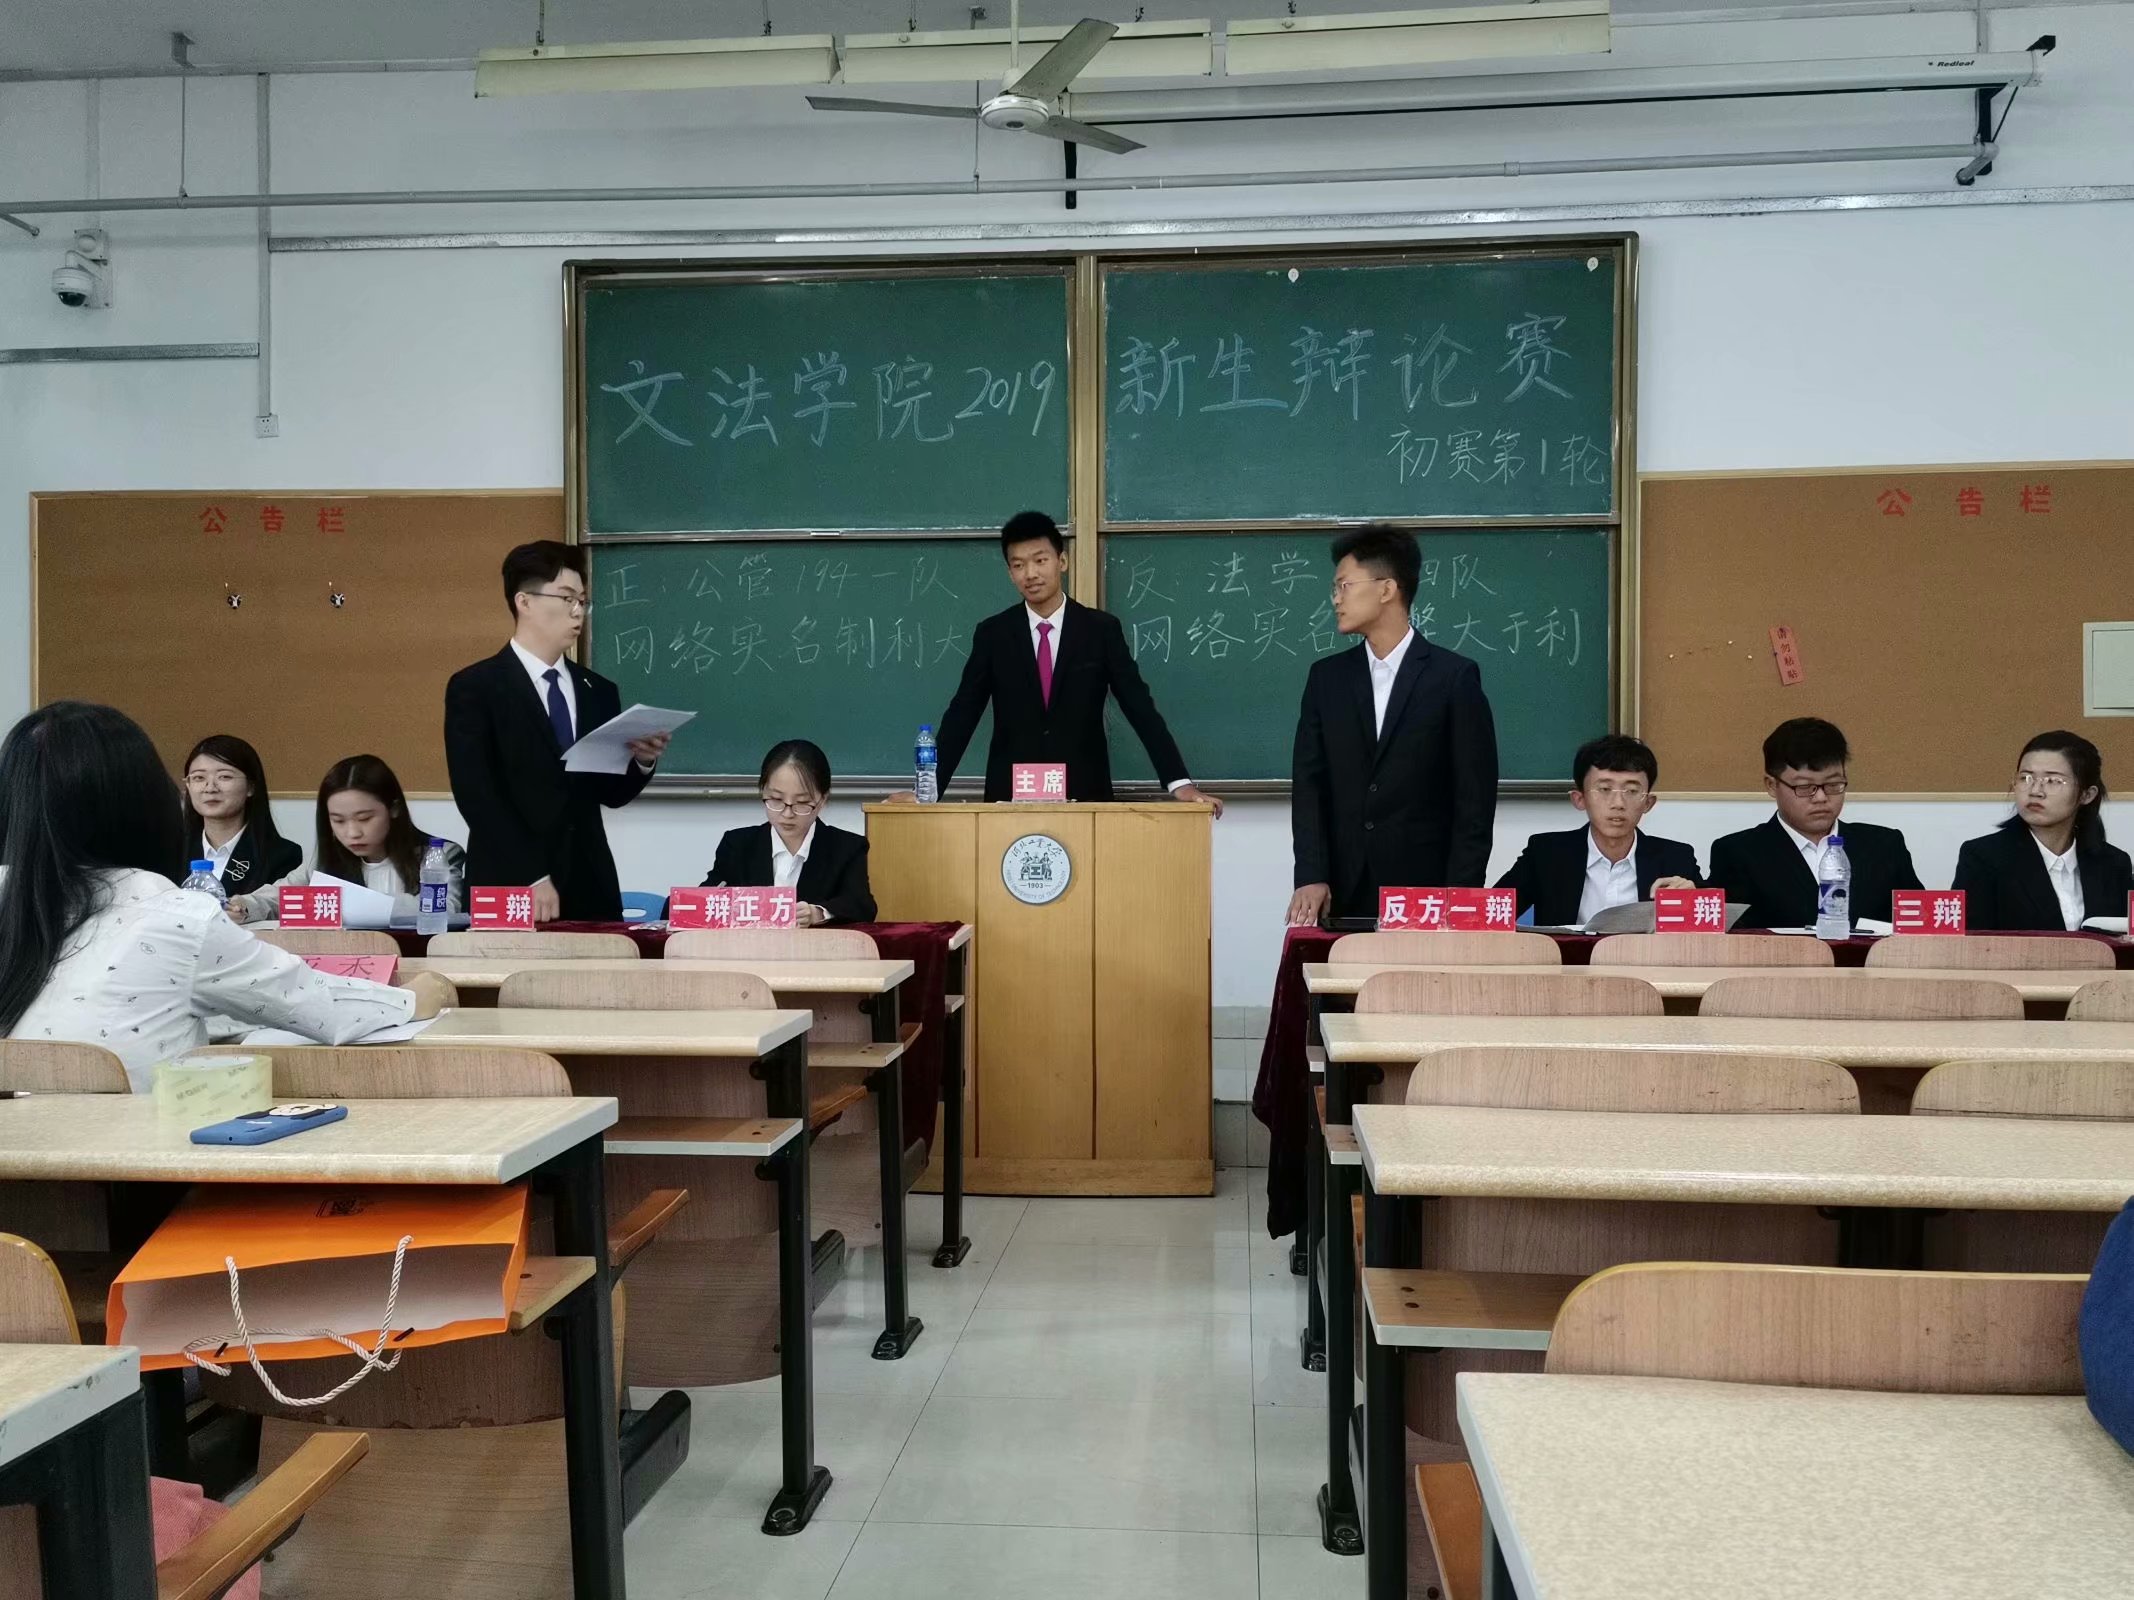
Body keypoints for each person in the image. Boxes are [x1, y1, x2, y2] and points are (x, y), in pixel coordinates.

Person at [0, 703, 454, 1091]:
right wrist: (411, 999)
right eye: (190, 779)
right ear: (142, 803)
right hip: (134, 1157)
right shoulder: (175, 919)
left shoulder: (14, 895)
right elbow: (309, 1002)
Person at [916, 511, 1222, 810]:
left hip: (1085, 796)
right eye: (1019, 565)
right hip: (1009, 798)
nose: (1030, 573)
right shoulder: (993, 634)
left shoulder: (1100, 630)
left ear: (1062, 561)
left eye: (1040, 560)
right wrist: (927, 793)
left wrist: (1179, 783)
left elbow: (1139, 706)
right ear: (1010, 573)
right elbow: (963, 713)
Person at [444, 541, 670, 922]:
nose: (578, 611)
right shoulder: (476, 687)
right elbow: (477, 795)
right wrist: (530, 875)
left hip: (589, 883)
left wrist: (642, 761)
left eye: (582, 601)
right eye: (566, 598)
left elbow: (609, 793)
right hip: (510, 883)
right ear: (524, 602)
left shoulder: (597, 690)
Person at [1288, 524, 1499, 925]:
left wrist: (1461, 895)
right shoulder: (1326, 678)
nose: (1336, 599)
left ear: (1386, 589)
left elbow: (1474, 798)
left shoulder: (1453, 677)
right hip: (1342, 888)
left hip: (1426, 891)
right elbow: (1309, 784)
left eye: (1344, 585)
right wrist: (1311, 874)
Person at [1708, 716, 1922, 929]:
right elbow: (1729, 936)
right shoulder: (1737, 853)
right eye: (1804, 787)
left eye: (1833, 784)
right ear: (1772, 785)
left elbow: (1920, 925)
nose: (1821, 797)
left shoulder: (1885, 846)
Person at [228, 755, 467, 925]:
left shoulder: (438, 854)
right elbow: (280, 897)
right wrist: (242, 906)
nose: (352, 832)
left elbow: (444, 910)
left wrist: (343, 902)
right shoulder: (323, 860)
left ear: (394, 809)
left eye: (364, 818)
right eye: (338, 821)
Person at [1494, 734, 1702, 926]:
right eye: (1604, 789)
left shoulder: (1676, 859)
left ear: (1648, 803)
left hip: (1644, 957)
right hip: (1568, 956)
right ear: (1580, 799)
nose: (1618, 803)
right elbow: (1490, 915)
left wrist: (1694, 901)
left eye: (1631, 791)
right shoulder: (1546, 854)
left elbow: (1710, 925)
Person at [1953, 730, 2133, 932]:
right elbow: (1971, 941)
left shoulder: (2113, 864)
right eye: (2026, 778)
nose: (2035, 791)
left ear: (2086, 795)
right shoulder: (1983, 857)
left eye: (2053, 781)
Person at [702, 740, 877, 926]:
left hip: (813, 945)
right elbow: (703, 899)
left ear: (823, 800)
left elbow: (862, 905)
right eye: (776, 799)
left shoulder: (847, 847)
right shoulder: (737, 845)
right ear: (763, 791)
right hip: (750, 944)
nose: (787, 814)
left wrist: (817, 913)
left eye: (801, 803)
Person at [181, 734, 303, 923]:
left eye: (224, 777)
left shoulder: (282, 855)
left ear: (251, 787)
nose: (210, 788)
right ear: (188, 786)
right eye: (198, 778)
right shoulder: (168, 851)